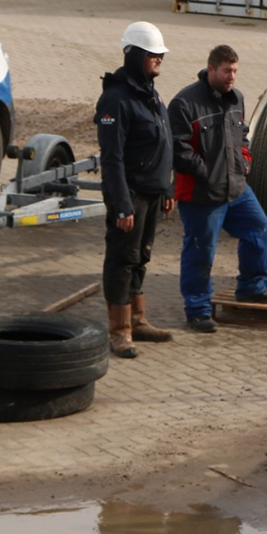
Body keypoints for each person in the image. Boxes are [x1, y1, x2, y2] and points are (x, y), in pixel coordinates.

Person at [168, 45, 267, 332]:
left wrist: (244, 162)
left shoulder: (237, 100)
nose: (232, 76)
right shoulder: (184, 104)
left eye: (235, 70)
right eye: (226, 71)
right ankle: (197, 309)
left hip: (236, 190)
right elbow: (176, 149)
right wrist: (206, 172)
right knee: (200, 252)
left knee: (259, 229)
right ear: (211, 70)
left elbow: (242, 135)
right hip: (201, 195)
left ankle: (251, 287)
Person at [96, 21, 178, 358]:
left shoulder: (151, 95)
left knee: (141, 256)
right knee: (121, 259)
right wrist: (122, 204)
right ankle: (119, 330)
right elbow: (112, 158)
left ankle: (138, 318)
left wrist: (168, 187)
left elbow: (165, 144)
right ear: (134, 55)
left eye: (161, 55)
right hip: (129, 194)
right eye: (152, 54)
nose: (159, 60)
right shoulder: (115, 100)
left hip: (152, 192)